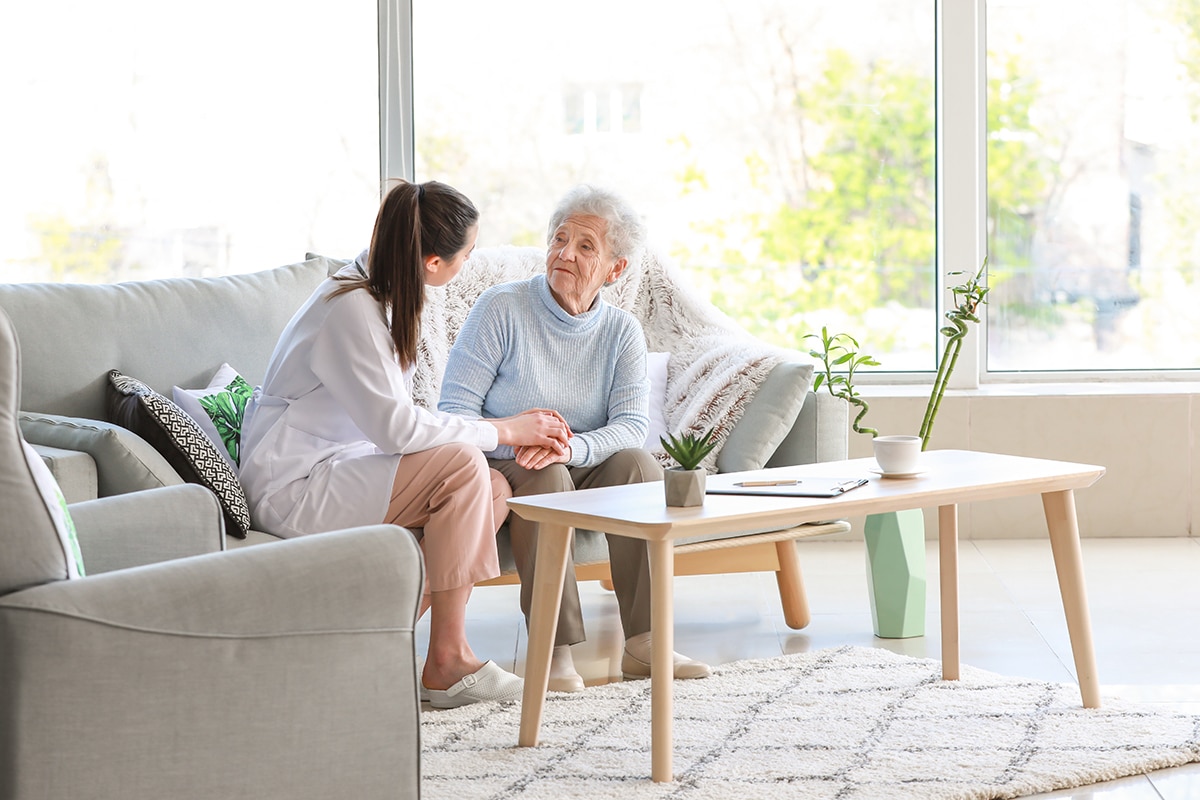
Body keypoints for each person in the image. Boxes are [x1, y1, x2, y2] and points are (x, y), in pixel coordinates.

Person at [239, 179, 570, 709]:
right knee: (466, 467)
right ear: (433, 263)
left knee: (492, 488)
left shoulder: (374, 295)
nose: (470, 261)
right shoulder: (350, 310)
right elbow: (396, 430)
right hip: (293, 488)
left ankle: (367, 641)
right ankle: (449, 661)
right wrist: (505, 429)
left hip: (335, 468)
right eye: (468, 253)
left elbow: (397, 423)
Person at [438, 184, 712, 692]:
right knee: (546, 475)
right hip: (504, 459)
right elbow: (454, 414)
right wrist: (519, 442)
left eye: (586, 246)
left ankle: (645, 641)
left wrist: (571, 447)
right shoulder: (501, 308)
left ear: (615, 269)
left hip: (577, 457)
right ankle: (554, 648)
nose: (565, 252)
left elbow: (631, 426)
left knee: (638, 467)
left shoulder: (622, 332)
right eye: (559, 238)